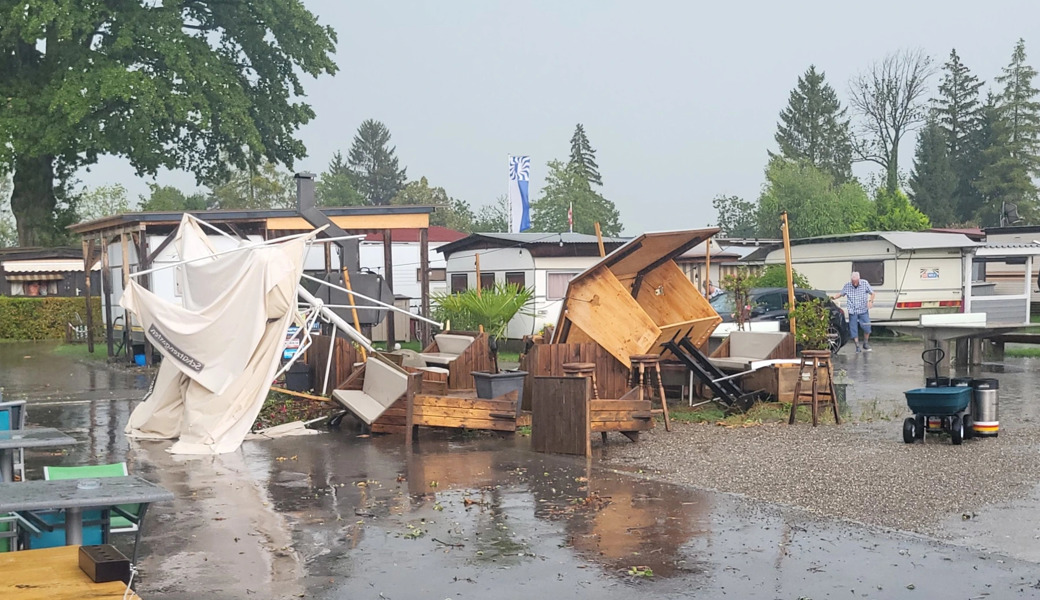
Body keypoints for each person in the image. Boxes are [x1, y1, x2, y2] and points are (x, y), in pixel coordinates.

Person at [831, 271, 875, 353]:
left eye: (856, 282)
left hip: (863, 310)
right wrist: (833, 297)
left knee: (867, 327)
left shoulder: (865, 283)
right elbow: (841, 293)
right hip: (852, 311)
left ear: (859, 279)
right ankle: (857, 346)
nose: (854, 283)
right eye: (853, 282)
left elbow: (872, 293)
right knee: (853, 329)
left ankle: (865, 343)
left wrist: (870, 301)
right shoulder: (847, 285)